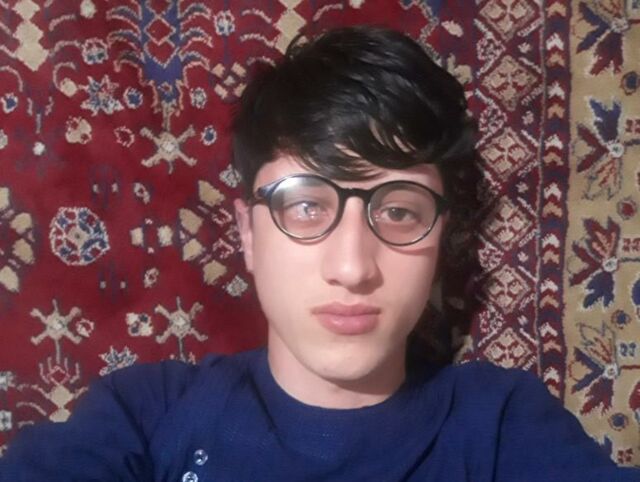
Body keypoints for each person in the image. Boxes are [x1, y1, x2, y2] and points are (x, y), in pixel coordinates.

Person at [1, 25, 638, 482]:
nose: (353, 268)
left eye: (399, 211)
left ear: (441, 238)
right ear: (248, 235)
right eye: (306, 205)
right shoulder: (145, 416)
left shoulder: (503, 426)